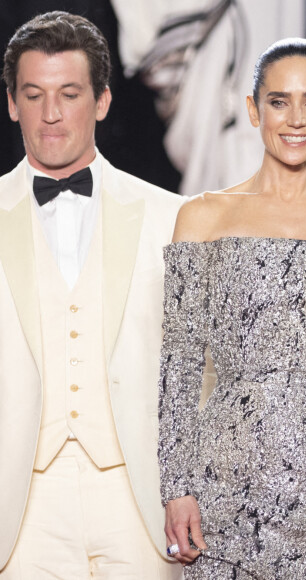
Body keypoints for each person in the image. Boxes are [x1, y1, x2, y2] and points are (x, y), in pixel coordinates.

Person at [157, 38, 306, 578]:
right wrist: (176, 489)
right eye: (278, 101)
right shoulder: (203, 218)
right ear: (252, 109)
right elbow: (179, 363)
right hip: (223, 489)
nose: (296, 119)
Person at [0, 11, 185, 579]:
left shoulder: (171, 217)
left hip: (138, 501)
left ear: (102, 100)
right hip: (21, 506)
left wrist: (188, 488)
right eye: (34, 95)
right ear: (12, 103)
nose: (51, 114)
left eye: (69, 94)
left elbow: (197, 370)